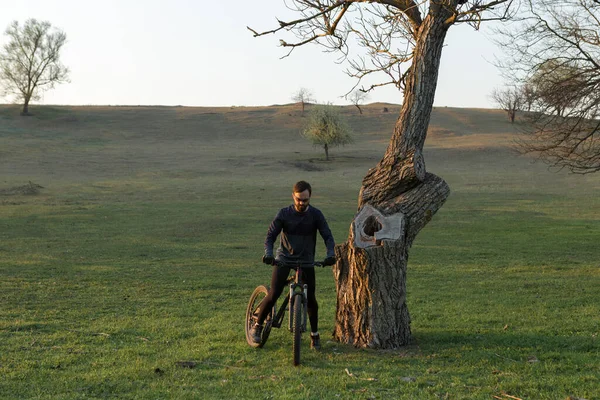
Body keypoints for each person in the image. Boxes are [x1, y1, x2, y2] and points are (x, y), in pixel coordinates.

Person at [250, 180, 336, 350]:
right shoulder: (284, 214)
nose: (301, 203)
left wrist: (330, 254)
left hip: (306, 260)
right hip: (284, 258)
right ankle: (257, 326)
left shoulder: (316, 215)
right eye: (298, 199)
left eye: (305, 200)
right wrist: (268, 253)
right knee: (274, 292)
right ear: (293, 196)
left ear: (310, 197)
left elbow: (328, 236)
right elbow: (270, 236)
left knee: (311, 298)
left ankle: (315, 335)